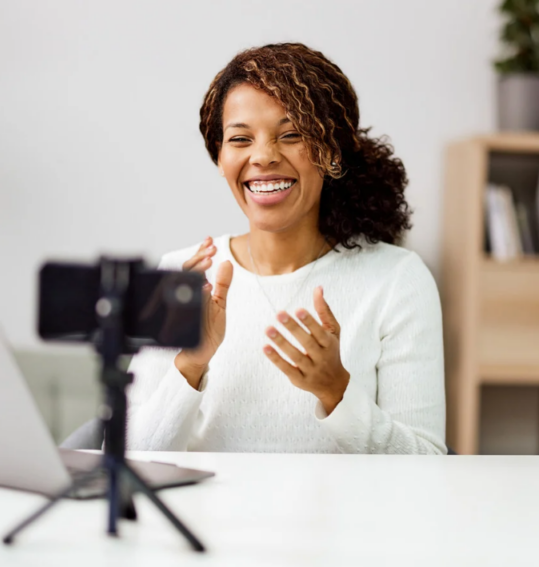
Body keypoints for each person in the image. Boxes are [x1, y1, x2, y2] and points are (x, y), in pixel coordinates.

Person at [127, 43, 445, 454]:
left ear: (330, 152)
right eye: (240, 138)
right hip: (204, 520)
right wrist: (190, 364)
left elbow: (428, 465)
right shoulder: (183, 275)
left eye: (291, 134)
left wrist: (337, 393)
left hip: (346, 520)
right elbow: (128, 463)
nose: (263, 156)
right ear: (220, 157)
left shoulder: (398, 280)